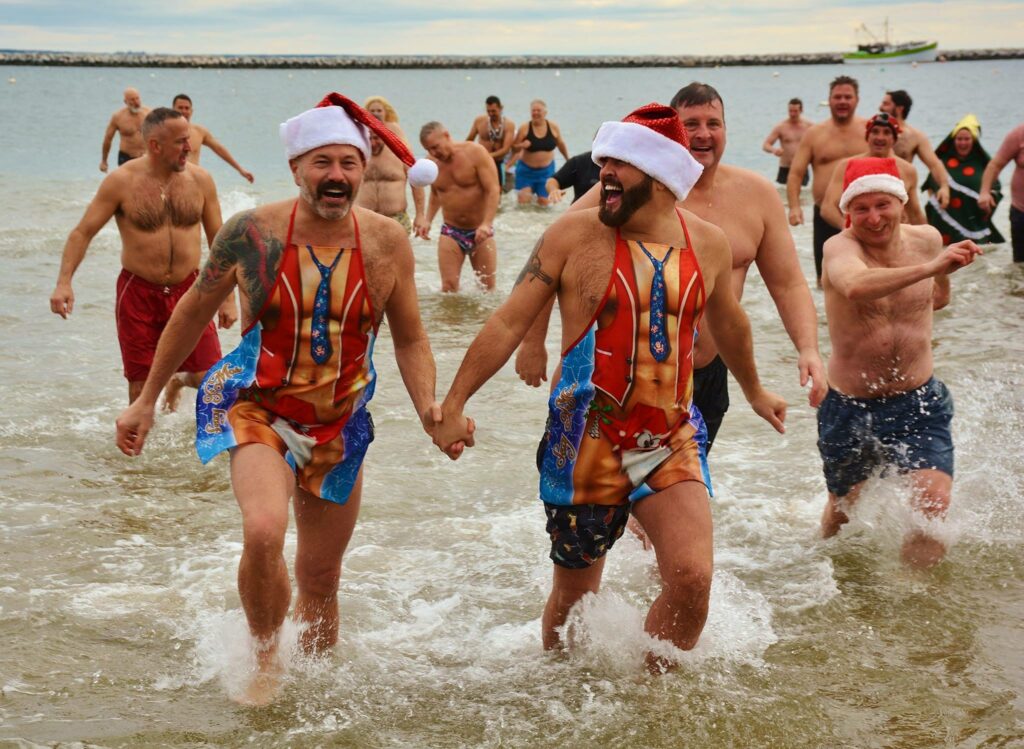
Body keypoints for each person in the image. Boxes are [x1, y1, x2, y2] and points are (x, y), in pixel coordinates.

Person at [114, 93, 454, 706]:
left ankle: (318, 696)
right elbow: (193, 311)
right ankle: (266, 657)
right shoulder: (253, 233)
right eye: (322, 162)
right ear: (297, 168)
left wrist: (432, 409)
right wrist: (143, 400)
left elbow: (410, 336)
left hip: (339, 421)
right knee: (265, 530)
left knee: (321, 577)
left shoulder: (386, 242)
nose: (337, 176)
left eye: (348, 163)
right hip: (259, 407)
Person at [432, 103, 786, 670]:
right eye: (604, 161)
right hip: (585, 442)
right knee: (575, 598)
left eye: (622, 163)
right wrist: (453, 403)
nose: (605, 173)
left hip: (669, 436)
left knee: (692, 578)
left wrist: (755, 390)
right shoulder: (574, 233)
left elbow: (730, 322)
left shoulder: (710, 244)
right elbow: (508, 319)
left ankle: (651, 702)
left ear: (662, 175)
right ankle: (562, 694)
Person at [519, 82, 826, 456]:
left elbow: (789, 284)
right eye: (690, 124)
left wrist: (808, 348)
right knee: (588, 505)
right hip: (614, 374)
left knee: (673, 501)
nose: (703, 134)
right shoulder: (624, 192)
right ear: (670, 136)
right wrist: (533, 342)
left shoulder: (757, 196)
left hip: (701, 379)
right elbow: (548, 257)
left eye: (713, 123)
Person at [819, 156, 982, 568]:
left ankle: (914, 603)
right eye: (861, 208)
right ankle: (825, 568)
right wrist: (933, 266)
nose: (873, 218)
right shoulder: (839, 247)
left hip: (919, 400)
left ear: (902, 204)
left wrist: (943, 265)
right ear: (847, 213)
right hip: (851, 408)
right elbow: (855, 286)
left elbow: (939, 297)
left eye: (882, 205)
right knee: (843, 512)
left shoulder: (927, 238)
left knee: (933, 505)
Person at [51, 107, 235, 407]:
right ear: (155, 145)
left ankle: (178, 380)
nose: (190, 147)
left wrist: (227, 297)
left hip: (191, 290)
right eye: (181, 142)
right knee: (140, 386)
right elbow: (81, 233)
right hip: (138, 292)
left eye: (189, 139)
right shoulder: (121, 182)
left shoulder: (201, 180)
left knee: (209, 378)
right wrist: (64, 283)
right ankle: (135, 450)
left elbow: (220, 240)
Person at [786, 75, 869, 283]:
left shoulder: (869, 131)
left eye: (847, 97)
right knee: (825, 279)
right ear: (829, 100)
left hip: (867, 214)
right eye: (837, 97)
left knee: (868, 274)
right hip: (826, 215)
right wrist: (795, 207)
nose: (842, 101)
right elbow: (796, 173)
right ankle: (825, 317)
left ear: (857, 100)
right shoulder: (814, 134)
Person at [414, 122, 500, 292]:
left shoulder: (475, 153)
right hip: (451, 231)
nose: (433, 153)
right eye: (429, 149)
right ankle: (451, 319)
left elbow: (493, 189)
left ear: (446, 135)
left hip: (480, 231)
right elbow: (437, 194)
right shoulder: (431, 164)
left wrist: (487, 223)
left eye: (435, 147)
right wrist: (427, 220)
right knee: (448, 288)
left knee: (488, 290)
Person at [820, 112, 927, 229]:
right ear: (867, 136)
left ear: (895, 138)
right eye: (875, 131)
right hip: (857, 235)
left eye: (887, 132)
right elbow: (828, 208)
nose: (880, 137)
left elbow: (915, 214)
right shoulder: (847, 165)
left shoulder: (907, 170)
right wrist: (849, 230)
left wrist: (928, 240)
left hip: (893, 239)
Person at [922, 115, 1005, 246]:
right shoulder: (942, 162)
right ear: (953, 140)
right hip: (944, 220)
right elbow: (930, 185)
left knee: (976, 258)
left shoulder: (984, 164)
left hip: (974, 221)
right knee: (943, 254)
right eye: (959, 139)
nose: (962, 143)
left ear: (974, 140)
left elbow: (996, 186)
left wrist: (990, 196)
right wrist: (939, 192)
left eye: (967, 139)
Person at [879, 89, 951, 207]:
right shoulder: (871, 133)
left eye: (886, 104)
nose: (880, 108)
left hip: (901, 193)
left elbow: (934, 164)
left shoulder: (915, 136)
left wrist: (944, 187)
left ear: (899, 108)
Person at [172, 94, 254, 183]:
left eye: (187, 108)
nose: (184, 111)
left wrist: (240, 169)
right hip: (172, 181)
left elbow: (219, 149)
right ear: (173, 110)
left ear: (191, 111)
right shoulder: (165, 132)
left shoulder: (200, 132)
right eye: (180, 108)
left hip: (193, 182)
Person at [356, 129, 426, 234]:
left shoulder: (400, 153)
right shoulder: (357, 156)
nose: (372, 143)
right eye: (368, 138)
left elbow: (416, 182)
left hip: (397, 219)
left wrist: (420, 215)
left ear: (384, 136)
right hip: (364, 219)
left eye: (376, 138)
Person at [507, 100, 569, 205]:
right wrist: (522, 145)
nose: (535, 113)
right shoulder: (524, 128)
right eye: (533, 110)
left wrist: (568, 159)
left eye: (538, 110)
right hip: (526, 171)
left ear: (545, 112)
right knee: (523, 203)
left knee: (544, 203)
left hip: (546, 172)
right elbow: (513, 147)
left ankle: (542, 222)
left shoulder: (553, 127)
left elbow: (561, 144)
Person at [979, 120, 1024, 262]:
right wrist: (985, 192)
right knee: (1020, 264)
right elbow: (995, 165)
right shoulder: (1019, 134)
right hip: (1021, 212)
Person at [466, 95, 516, 192]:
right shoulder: (479, 121)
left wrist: (487, 156)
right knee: (478, 190)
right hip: (480, 162)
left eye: (493, 111)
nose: (491, 114)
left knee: (497, 192)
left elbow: (506, 149)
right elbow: (469, 140)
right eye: (488, 111)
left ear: (501, 108)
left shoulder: (509, 125)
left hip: (497, 163)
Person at [762, 98, 813, 187]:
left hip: (801, 168)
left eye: (795, 111)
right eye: (790, 111)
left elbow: (820, 143)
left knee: (803, 196)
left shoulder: (809, 127)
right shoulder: (781, 127)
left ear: (801, 110)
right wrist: (774, 150)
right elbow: (766, 145)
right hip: (785, 167)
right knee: (783, 197)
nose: (792, 114)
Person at [100, 87, 150, 172]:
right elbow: (108, 139)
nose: (136, 102)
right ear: (125, 102)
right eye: (132, 100)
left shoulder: (149, 113)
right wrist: (104, 161)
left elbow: (161, 134)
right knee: (127, 183)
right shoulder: (118, 117)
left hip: (145, 157)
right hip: (126, 157)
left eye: (137, 98)